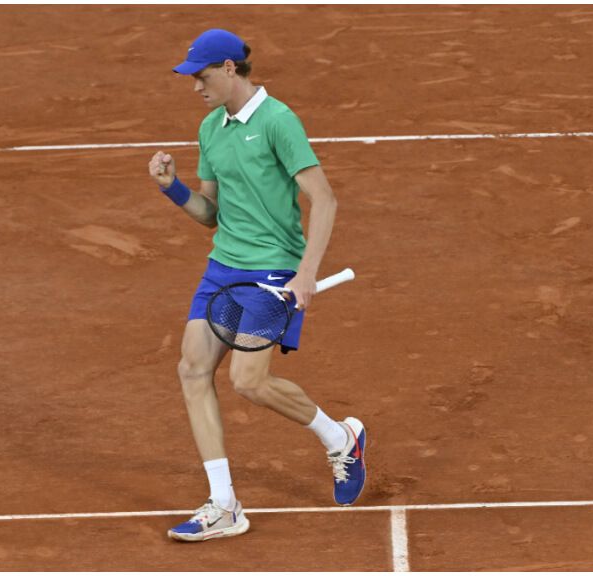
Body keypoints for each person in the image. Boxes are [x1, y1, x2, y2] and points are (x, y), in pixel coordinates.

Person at [147, 29, 366, 542]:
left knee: (248, 381)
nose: (195, 87)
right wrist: (172, 189)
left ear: (229, 68)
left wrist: (306, 270)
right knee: (192, 369)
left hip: (273, 272)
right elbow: (211, 215)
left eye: (201, 77)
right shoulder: (209, 129)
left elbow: (325, 200)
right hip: (223, 267)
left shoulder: (277, 121)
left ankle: (340, 438)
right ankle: (223, 506)